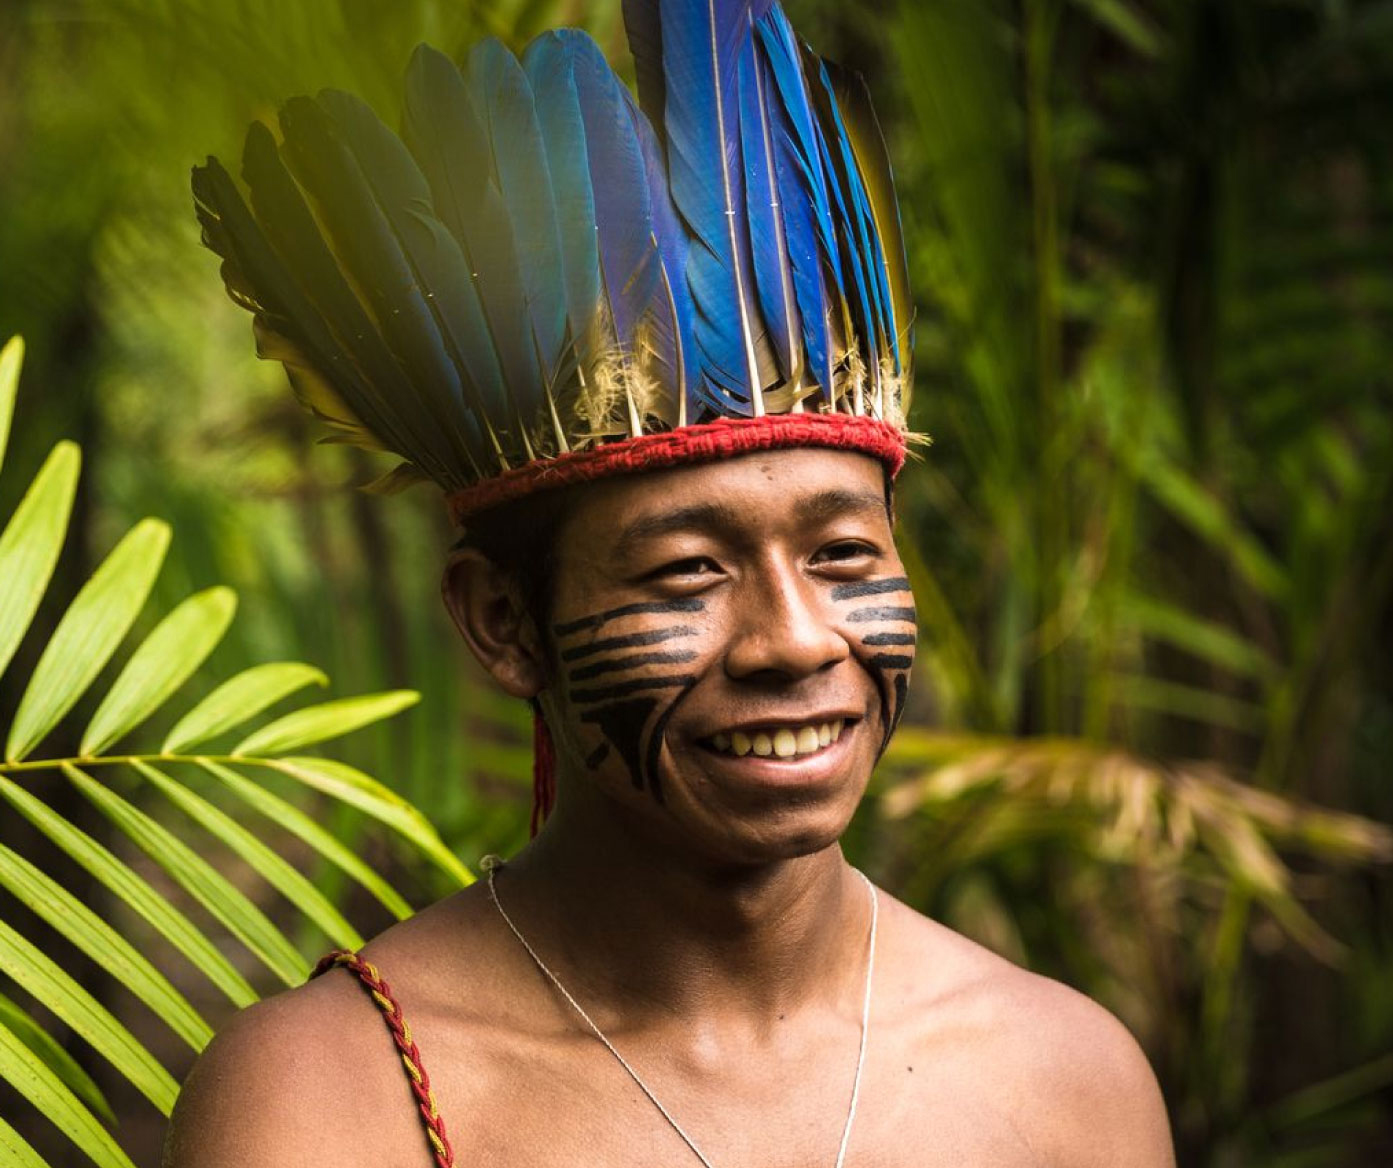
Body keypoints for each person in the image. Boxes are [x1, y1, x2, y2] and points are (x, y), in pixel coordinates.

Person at [168, 2, 1174, 1163]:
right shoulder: (335, 1098)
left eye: (842, 552)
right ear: (504, 623)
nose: (796, 640)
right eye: (689, 570)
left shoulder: (1067, 1085)